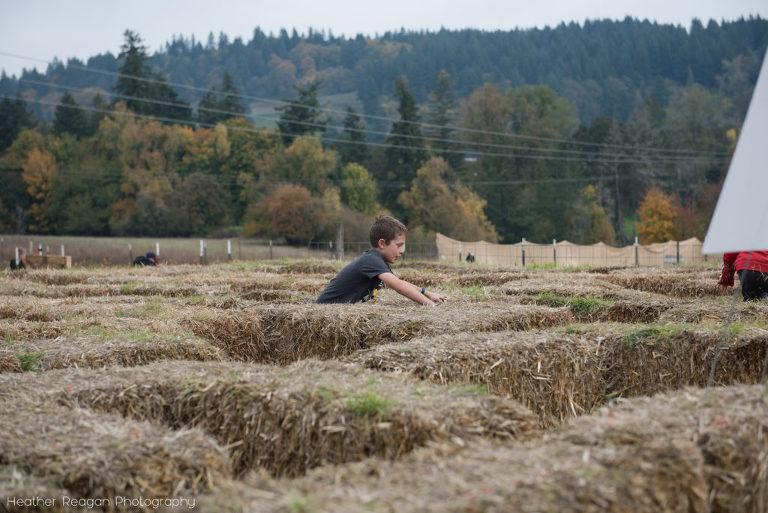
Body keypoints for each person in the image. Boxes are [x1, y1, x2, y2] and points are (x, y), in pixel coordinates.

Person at [316, 215, 448, 306]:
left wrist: (429, 293)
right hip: (323, 311)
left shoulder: (377, 260)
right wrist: (431, 306)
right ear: (382, 243)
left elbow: (400, 282)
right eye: (398, 245)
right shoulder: (371, 260)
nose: (402, 251)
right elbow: (399, 287)